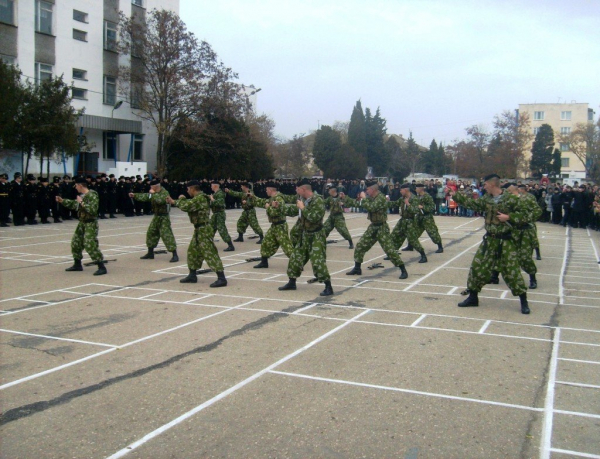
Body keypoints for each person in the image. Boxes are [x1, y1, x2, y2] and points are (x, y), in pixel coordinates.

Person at [448, 174, 530, 314]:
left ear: (492, 184)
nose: (483, 187)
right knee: (477, 267)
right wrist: (455, 195)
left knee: (512, 272)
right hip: (490, 239)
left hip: (505, 241)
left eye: (485, 184)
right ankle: (473, 297)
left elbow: (529, 215)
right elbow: (472, 204)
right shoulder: (487, 199)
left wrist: (509, 217)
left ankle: (524, 301)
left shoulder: (511, 199)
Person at [340, 183, 409, 279]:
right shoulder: (371, 198)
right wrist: (345, 198)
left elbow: (371, 207)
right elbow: (357, 204)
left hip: (381, 227)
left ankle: (403, 269)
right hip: (373, 226)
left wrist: (363, 199)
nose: (366, 191)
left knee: (389, 250)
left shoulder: (380, 198)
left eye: (368, 189)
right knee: (360, 246)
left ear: (373, 189)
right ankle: (357, 268)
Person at [167, 180, 227, 287]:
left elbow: (187, 206)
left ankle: (221, 278)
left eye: (188, 189)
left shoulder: (200, 198)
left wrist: (177, 201)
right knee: (192, 251)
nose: (187, 191)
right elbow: (189, 204)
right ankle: (192, 275)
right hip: (199, 229)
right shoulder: (199, 198)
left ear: (192, 189)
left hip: (204, 229)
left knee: (209, 252)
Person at [279, 180, 333, 296]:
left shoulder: (318, 200)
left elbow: (314, 217)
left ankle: (328, 286)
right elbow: (294, 211)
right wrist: (279, 207)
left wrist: (303, 208)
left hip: (316, 235)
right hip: (305, 234)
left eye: (297, 189)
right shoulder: (302, 200)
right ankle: (292, 282)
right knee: (295, 258)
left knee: (318, 261)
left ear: (303, 189)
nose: (296, 191)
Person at [56, 176, 107, 276]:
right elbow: (75, 205)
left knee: (89, 243)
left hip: (90, 223)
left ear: (80, 185)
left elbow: (92, 210)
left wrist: (81, 202)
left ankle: (101, 266)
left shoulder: (92, 195)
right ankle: (77, 264)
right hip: (82, 222)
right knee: (76, 242)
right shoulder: (83, 195)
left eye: (76, 185)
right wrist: (62, 201)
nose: (75, 187)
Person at [130, 179, 179, 262]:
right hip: (156, 216)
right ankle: (150, 253)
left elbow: (160, 201)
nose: (150, 187)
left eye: (152, 186)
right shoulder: (153, 193)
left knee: (166, 235)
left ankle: (174, 254)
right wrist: (134, 195)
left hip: (164, 217)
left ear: (156, 186)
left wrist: (154, 194)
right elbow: (147, 197)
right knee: (151, 233)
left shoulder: (164, 192)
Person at [251, 181, 293, 269]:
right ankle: (264, 262)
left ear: (270, 189)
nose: (266, 191)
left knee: (287, 246)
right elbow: (263, 202)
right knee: (266, 242)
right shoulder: (272, 198)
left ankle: (297, 263)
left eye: (267, 189)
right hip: (274, 226)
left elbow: (275, 213)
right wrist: (253, 197)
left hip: (280, 226)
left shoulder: (278, 199)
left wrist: (268, 208)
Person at [387, 184, 428, 263]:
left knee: (413, 240)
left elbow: (415, 210)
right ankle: (392, 254)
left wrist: (408, 204)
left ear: (405, 190)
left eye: (401, 190)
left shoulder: (414, 198)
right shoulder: (402, 198)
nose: (400, 191)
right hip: (402, 220)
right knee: (394, 236)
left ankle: (423, 255)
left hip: (410, 222)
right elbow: (395, 204)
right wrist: (387, 202)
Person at [414, 183, 444, 253]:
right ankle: (410, 245)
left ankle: (440, 247)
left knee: (433, 232)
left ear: (420, 189)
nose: (415, 189)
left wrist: (423, 207)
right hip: (419, 217)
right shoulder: (417, 197)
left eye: (416, 188)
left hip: (427, 218)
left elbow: (432, 207)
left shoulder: (427, 196)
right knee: (414, 232)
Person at [517, 184, 542, 260]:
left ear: (522, 189)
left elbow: (536, 209)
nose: (518, 190)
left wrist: (532, 218)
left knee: (533, 238)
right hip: (520, 221)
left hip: (529, 221)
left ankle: (538, 253)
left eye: (519, 189)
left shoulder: (530, 197)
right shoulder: (517, 197)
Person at [209, 181, 235, 252]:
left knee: (222, 229)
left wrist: (212, 199)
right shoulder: (216, 193)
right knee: (210, 228)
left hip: (219, 214)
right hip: (215, 214)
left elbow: (220, 203)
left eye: (212, 185)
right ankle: (208, 244)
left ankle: (230, 245)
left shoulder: (220, 193)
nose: (211, 187)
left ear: (215, 186)